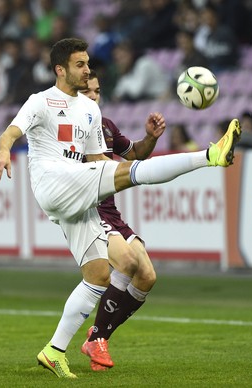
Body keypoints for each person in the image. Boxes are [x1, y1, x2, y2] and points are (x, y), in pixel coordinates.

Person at [0, 38, 241, 379]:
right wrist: (3, 152)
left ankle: (54, 350)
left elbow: (96, 159)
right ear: (60, 70)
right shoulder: (40, 101)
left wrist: (132, 156)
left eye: (88, 63)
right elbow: (11, 133)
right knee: (130, 174)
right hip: (53, 182)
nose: (87, 69)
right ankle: (209, 156)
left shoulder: (91, 112)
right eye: (79, 64)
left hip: (78, 191)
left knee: (99, 276)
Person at [79, 70, 162, 371]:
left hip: (111, 213)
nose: (93, 97)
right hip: (87, 212)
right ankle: (97, 339)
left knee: (147, 277)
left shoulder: (107, 126)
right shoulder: (71, 130)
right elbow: (103, 167)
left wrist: (149, 139)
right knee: (126, 261)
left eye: (97, 92)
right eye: (86, 92)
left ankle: (99, 336)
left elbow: (135, 154)